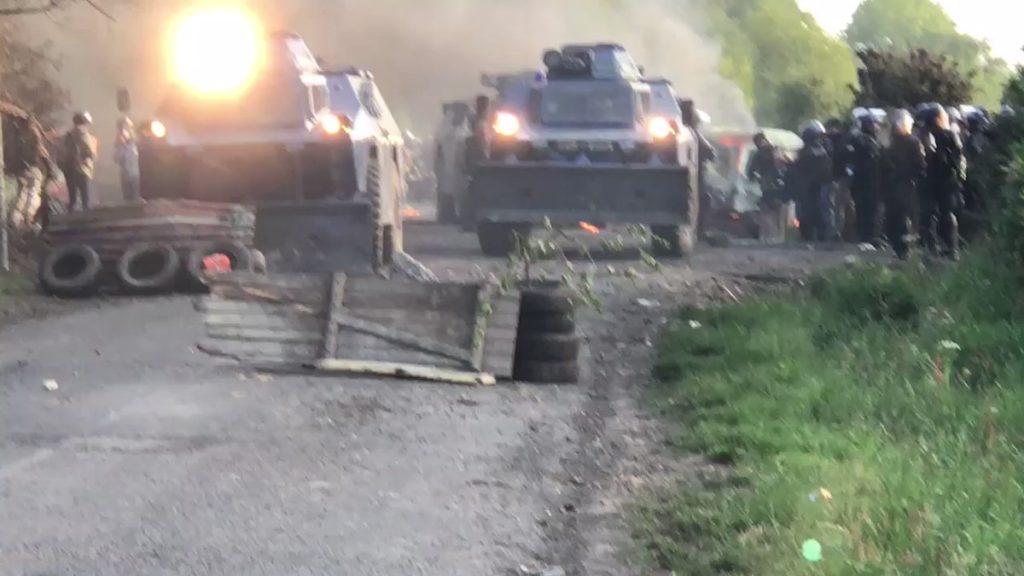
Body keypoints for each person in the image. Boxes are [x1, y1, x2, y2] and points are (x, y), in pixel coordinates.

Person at [922, 108, 967, 260]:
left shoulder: (948, 135)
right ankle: (936, 247)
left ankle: (951, 248)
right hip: (934, 179)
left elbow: (959, 158)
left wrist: (958, 177)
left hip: (946, 180)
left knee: (946, 214)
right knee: (931, 214)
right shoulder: (926, 135)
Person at [883, 110, 927, 260]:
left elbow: (920, 166)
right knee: (899, 217)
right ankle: (901, 248)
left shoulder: (907, 142)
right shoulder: (901, 142)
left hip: (901, 186)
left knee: (901, 217)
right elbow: (921, 165)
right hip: (899, 186)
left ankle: (902, 249)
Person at [787, 120, 833, 242]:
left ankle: (810, 237)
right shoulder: (821, 151)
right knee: (818, 215)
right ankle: (819, 238)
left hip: (808, 189)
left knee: (807, 215)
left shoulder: (805, 152)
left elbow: (795, 171)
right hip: (815, 188)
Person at [849, 114, 885, 247]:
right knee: (870, 211)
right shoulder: (866, 142)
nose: (877, 127)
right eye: (875, 124)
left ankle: (867, 237)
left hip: (861, 183)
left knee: (864, 210)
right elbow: (871, 162)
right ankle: (869, 238)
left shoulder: (859, 140)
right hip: (868, 183)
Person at [746, 132, 789, 243]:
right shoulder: (777, 150)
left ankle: (767, 236)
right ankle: (780, 237)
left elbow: (750, 172)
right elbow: (789, 164)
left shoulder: (759, 154)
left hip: (767, 186)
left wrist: (757, 178)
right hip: (782, 185)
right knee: (779, 211)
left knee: (766, 211)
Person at [59, 111, 98, 211]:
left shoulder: (68, 135)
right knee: (85, 198)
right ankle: (85, 221)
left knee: (73, 198)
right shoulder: (85, 135)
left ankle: (71, 220)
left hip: (69, 169)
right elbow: (91, 153)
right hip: (83, 169)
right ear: (85, 122)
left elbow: (61, 152)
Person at [113, 116, 140, 203]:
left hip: (135, 173)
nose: (125, 130)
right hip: (126, 174)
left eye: (127, 127)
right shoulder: (119, 144)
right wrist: (122, 146)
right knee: (128, 198)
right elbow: (116, 159)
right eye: (122, 128)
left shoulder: (134, 143)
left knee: (136, 196)